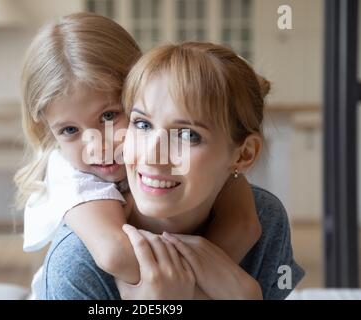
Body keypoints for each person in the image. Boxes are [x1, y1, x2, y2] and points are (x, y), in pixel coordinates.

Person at [15, 13, 263, 299]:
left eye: (110, 115)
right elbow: (114, 254)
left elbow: (244, 224)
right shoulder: (70, 177)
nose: (97, 146)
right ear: (49, 131)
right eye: (69, 130)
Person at [41, 41, 305, 300]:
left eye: (188, 135)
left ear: (244, 154)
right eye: (142, 124)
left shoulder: (266, 219)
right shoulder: (78, 263)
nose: (152, 156)